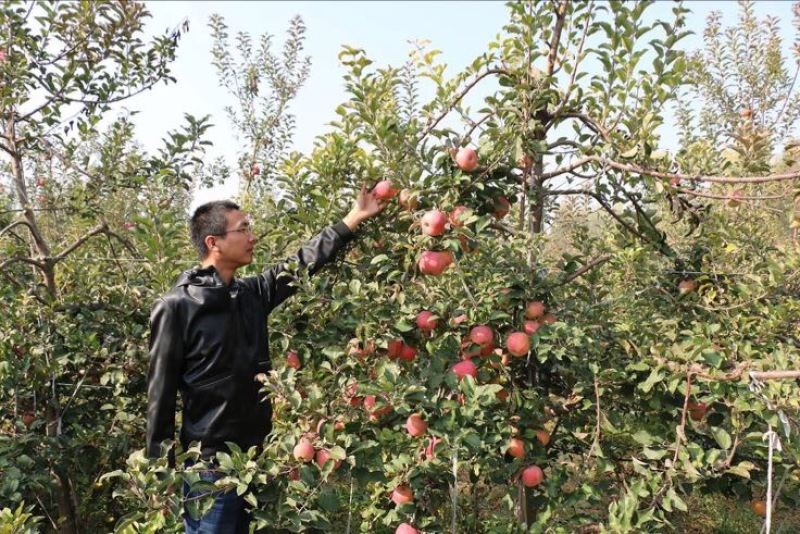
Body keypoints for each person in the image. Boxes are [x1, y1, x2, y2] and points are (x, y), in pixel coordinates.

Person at [146, 184, 386, 533]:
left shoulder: (250, 293)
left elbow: (302, 263)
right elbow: (160, 395)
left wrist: (354, 218)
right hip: (211, 467)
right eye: (242, 229)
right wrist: (160, 468)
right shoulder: (176, 307)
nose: (251, 236)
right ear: (213, 243)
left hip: (258, 460)